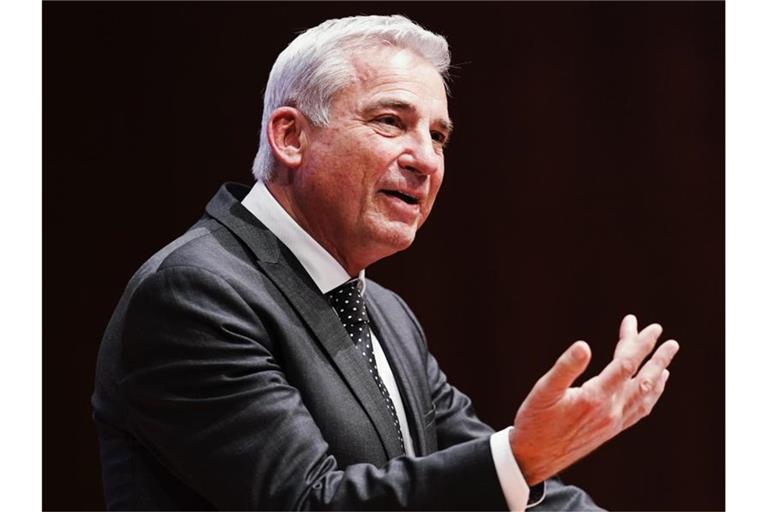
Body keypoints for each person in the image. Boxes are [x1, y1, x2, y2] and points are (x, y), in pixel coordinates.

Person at [92, 14, 679, 511]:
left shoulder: (386, 314)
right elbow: (308, 502)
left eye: (439, 136)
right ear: (291, 136)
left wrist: (527, 461)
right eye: (390, 121)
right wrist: (521, 455)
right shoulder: (194, 293)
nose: (426, 159)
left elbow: (474, 470)